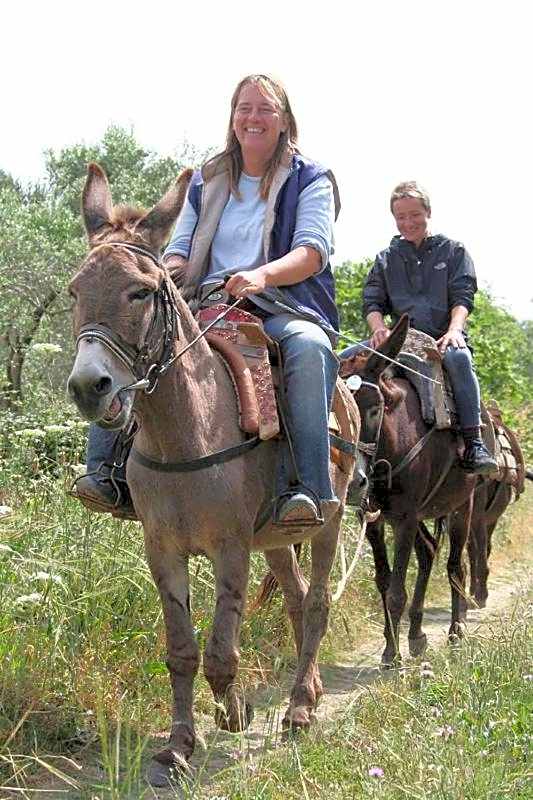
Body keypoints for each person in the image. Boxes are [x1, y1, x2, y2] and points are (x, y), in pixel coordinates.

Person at [75, 73, 342, 525]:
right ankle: (105, 473)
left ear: (284, 120)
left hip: (281, 306)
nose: (252, 117)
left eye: (264, 109)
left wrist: (262, 274)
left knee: (309, 347)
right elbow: (180, 248)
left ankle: (310, 487)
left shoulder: (312, 179)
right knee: (135, 337)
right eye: (244, 108)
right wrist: (165, 269)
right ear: (233, 117)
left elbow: (312, 252)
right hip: (207, 304)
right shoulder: (206, 179)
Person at [341, 180, 497, 475]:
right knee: (340, 361)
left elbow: (463, 296)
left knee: (460, 359)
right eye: (401, 217)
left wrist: (454, 331)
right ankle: (337, 440)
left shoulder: (453, 251)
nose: (408, 222)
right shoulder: (386, 259)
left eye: (414, 215)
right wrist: (378, 329)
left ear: (428, 212)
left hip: (440, 337)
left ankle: (474, 442)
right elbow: (372, 301)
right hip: (399, 340)